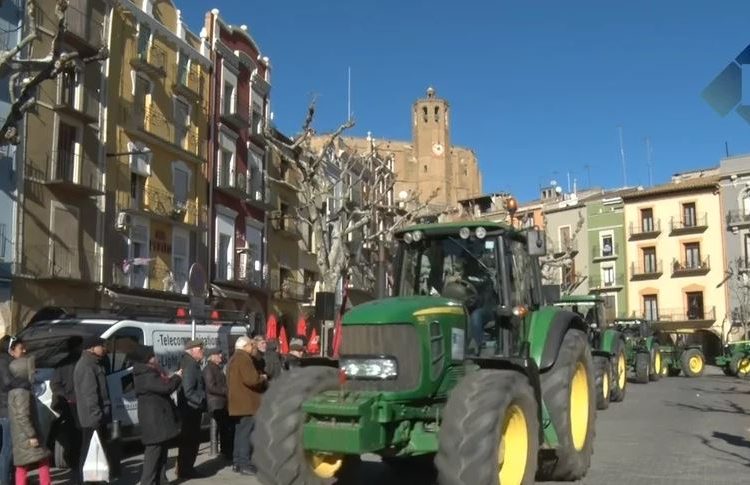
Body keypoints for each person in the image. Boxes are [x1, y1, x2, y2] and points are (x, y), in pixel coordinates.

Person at [130, 345, 182, 485]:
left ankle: (161, 480)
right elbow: (166, 387)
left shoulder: (151, 372)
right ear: (147, 359)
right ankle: (148, 482)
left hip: (159, 418)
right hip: (154, 421)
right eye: (152, 356)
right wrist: (177, 377)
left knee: (162, 454)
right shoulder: (146, 374)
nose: (155, 358)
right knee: (153, 455)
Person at [8, 356, 51, 485]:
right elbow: (22, 415)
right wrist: (31, 435)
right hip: (26, 435)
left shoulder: (14, 389)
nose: (33, 372)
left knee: (22, 465)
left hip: (20, 436)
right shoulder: (22, 391)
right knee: (43, 460)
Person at [73, 336, 110, 485]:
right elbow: (90, 395)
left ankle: (93, 480)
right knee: (90, 451)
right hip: (91, 418)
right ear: (91, 348)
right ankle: (87, 481)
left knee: (93, 451)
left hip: (93, 416)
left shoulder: (94, 363)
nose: (104, 348)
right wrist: (96, 417)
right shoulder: (87, 366)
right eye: (101, 345)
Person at [227, 336, 266, 475]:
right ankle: (244, 463)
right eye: (251, 345)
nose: (253, 347)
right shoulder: (243, 358)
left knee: (240, 433)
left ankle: (237, 462)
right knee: (246, 434)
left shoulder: (234, 358)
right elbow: (251, 379)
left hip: (238, 403)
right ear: (245, 346)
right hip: (247, 404)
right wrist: (262, 377)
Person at [176, 339, 206, 480]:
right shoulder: (190, 365)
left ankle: (185, 468)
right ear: (192, 350)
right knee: (190, 441)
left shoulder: (190, 363)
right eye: (200, 349)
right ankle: (186, 470)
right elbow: (188, 391)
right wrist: (201, 400)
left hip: (190, 409)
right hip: (191, 409)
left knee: (188, 441)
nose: (202, 351)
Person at [50, 346, 81, 474]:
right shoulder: (82, 361)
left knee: (72, 433)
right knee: (79, 433)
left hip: (68, 402)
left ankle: (74, 460)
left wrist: (66, 396)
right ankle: (78, 460)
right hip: (75, 402)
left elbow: (55, 384)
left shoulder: (61, 364)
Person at [0, 336, 25, 485]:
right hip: (6, 410)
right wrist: (25, 382)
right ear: (10, 350)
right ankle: (4, 480)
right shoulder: (5, 363)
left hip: (4, 410)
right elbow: (8, 383)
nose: (24, 351)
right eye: (21, 348)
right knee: (7, 449)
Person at [203, 348, 232, 459]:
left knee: (224, 428)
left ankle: (225, 451)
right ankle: (222, 451)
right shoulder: (209, 369)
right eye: (218, 354)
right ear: (212, 356)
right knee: (221, 427)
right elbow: (211, 387)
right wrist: (226, 391)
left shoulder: (217, 368)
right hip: (216, 403)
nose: (220, 355)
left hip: (221, 402)